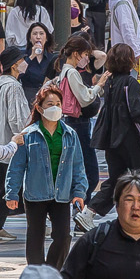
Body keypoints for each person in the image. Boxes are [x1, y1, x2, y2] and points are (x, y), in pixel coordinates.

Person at [6, 83, 89, 268]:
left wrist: (79, 192)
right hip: (35, 194)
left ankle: (51, 271)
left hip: (61, 194)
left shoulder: (70, 134)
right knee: (35, 236)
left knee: (63, 236)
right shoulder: (27, 135)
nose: (55, 108)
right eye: (50, 104)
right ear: (39, 108)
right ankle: (36, 274)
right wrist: (11, 193)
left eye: (58, 104)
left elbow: (78, 165)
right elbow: (17, 166)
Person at [89, 43, 140, 214]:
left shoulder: (110, 83)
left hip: (111, 139)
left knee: (116, 180)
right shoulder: (130, 82)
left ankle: (89, 212)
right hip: (130, 139)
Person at [0, 47, 33, 242]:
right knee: (10, 185)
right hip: (12, 143)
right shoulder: (13, 86)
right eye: (22, 59)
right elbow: (16, 118)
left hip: (1, 143)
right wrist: (24, 135)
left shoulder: (5, 83)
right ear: (14, 64)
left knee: (4, 185)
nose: (25, 61)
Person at [57, 34, 104, 195]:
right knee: (90, 173)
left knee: (77, 169)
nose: (86, 58)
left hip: (70, 122)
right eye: (85, 54)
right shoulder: (72, 73)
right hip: (78, 124)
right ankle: (82, 204)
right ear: (77, 54)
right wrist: (99, 86)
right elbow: (85, 98)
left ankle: (78, 203)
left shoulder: (64, 71)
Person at [23, 20, 55, 89]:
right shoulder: (23, 55)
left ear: (46, 38)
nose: (38, 37)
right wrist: (31, 57)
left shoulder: (52, 57)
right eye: (35, 34)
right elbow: (18, 73)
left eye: (41, 34)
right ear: (30, 38)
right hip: (28, 94)